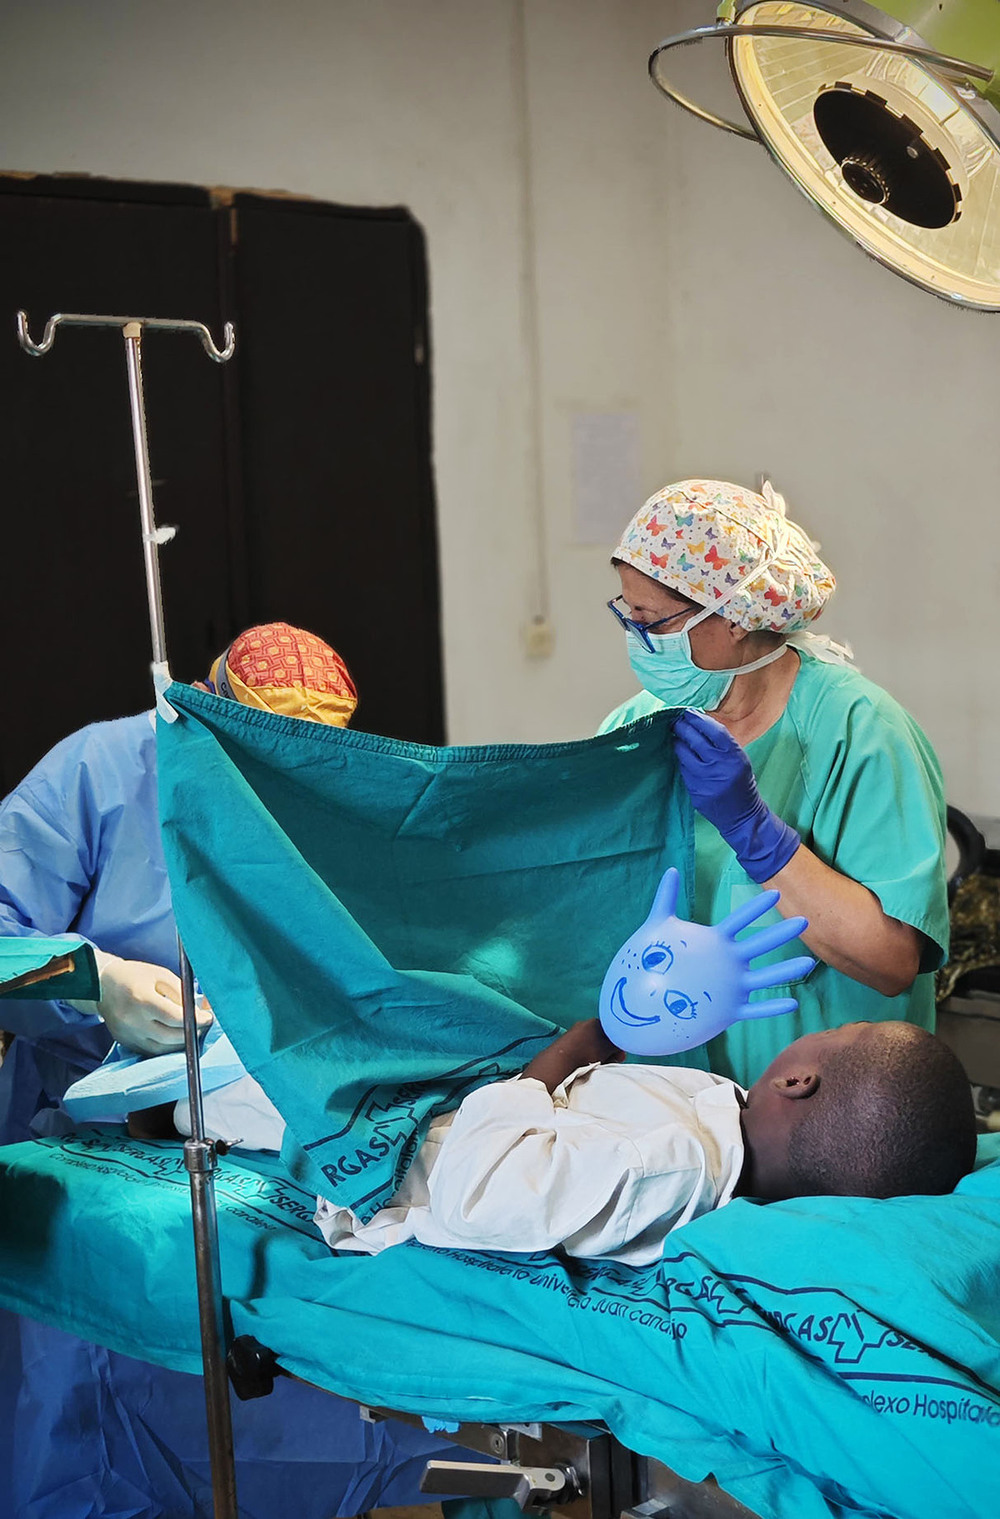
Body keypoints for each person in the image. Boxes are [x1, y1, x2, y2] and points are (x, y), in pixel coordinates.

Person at [598, 477, 948, 1087]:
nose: (636, 637)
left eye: (651, 620)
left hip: (826, 1113)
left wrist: (756, 835)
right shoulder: (636, 727)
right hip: (675, 1105)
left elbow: (892, 962)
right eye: (626, 614)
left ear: (732, 617)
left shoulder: (860, 732)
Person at [0, 621, 358, 1143]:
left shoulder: (320, 795)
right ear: (205, 704)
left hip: (243, 1111)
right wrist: (96, 985)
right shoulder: (98, 769)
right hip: (77, 1117)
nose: (272, 787)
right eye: (255, 756)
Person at [315, 1016, 976, 1265]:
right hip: (446, 1097)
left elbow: (475, 1196)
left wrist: (564, 1055)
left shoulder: (672, 1167)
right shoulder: (720, 1115)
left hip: (385, 1152)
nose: (827, 1026)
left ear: (800, 1078)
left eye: (845, 1027)